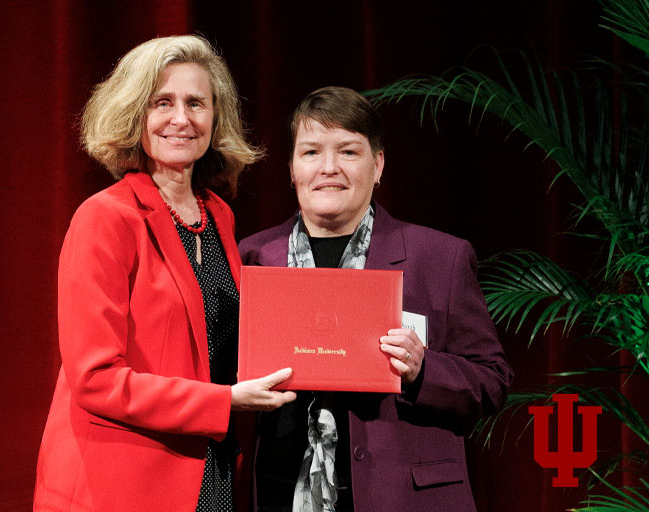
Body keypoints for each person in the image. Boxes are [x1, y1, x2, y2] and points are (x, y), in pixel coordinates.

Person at [33, 35, 296, 512]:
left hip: (208, 470)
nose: (182, 119)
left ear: (216, 119)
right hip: (119, 482)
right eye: (163, 103)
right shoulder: (105, 217)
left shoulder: (218, 215)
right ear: (137, 115)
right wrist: (224, 402)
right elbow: (95, 378)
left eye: (196, 103)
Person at [238, 86, 513, 512]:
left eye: (348, 151)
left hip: (405, 499)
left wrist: (422, 370)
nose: (328, 168)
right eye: (311, 153)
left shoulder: (439, 257)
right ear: (292, 168)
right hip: (282, 493)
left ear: (378, 164)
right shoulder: (252, 258)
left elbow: (492, 381)